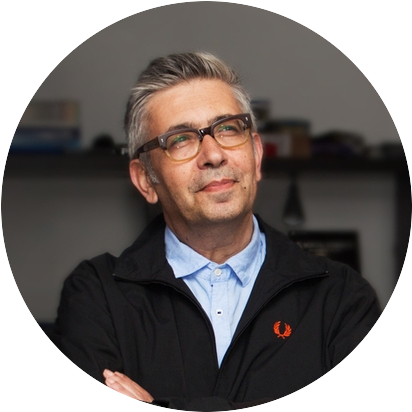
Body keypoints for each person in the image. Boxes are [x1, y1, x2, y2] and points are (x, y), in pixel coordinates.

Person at [54, 52, 381, 411]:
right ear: (146, 179)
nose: (213, 154)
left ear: (256, 155)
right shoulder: (97, 296)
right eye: (180, 139)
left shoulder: (340, 298)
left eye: (228, 129)